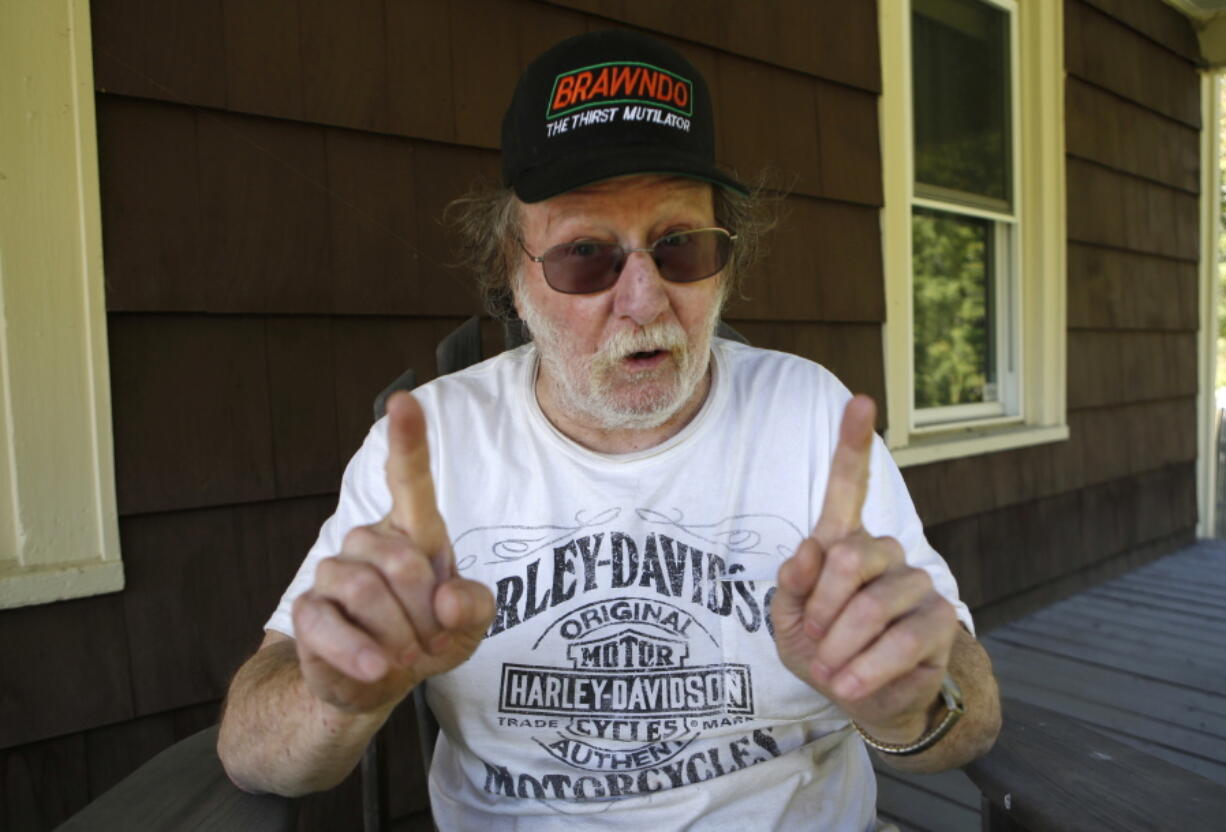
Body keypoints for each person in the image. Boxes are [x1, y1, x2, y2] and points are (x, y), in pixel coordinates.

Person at [218, 29, 1001, 830]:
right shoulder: (435, 446)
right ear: (512, 275)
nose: (644, 300)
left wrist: (903, 711)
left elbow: (970, 711)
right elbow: (249, 749)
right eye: (586, 254)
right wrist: (339, 695)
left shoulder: (810, 421)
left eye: (681, 247)